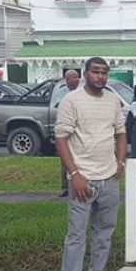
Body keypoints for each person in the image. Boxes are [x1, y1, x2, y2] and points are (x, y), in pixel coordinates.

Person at [51, 57, 127, 271]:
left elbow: (120, 131)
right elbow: (61, 139)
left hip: (109, 179)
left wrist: (120, 161)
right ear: (85, 74)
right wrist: (74, 174)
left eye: (104, 73)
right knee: (76, 237)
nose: (101, 77)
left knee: (104, 234)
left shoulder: (112, 100)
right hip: (82, 179)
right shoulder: (71, 101)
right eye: (96, 72)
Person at [58, 70, 80, 198]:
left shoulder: (82, 92)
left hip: (79, 130)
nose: (76, 80)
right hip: (66, 129)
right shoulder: (61, 93)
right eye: (73, 78)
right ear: (67, 80)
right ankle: (65, 187)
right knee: (65, 159)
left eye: (77, 77)